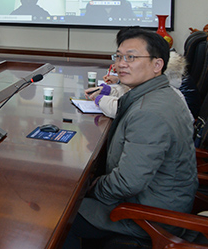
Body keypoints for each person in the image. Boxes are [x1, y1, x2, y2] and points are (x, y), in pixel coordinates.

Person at [63, 28, 197, 248]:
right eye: (118, 57)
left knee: (61, 214)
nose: (121, 64)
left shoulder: (149, 112)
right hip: (160, 199)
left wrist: (92, 188)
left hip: (149, 215)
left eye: (131, 57)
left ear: (157, 65)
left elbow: (127, 183)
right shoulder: (164, 94)